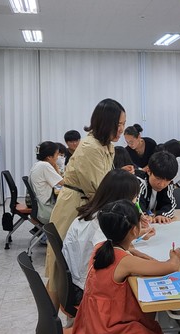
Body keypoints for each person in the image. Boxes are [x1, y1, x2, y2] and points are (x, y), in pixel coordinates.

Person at [72, 199, 180, 334]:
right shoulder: (124, 261)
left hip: (92, 323)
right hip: (108, 330)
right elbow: (169, 267)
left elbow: (136, 256)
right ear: (133, 230)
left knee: (150, 325)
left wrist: (142, 252)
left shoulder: (102, 248)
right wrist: (175, 258)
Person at [46, 98, 126, 308]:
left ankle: (69, 321)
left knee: (73, 268)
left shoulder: (106, 146)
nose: (121, 130)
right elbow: (101, 192)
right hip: (75, 207)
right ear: (104, 123)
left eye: (123, 125)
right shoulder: (91, 148)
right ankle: (52, 325)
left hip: (86, 206)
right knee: (61, 270)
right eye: (117, 125)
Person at [63, 169, 152, 298]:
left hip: (77, 281)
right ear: (123, 199)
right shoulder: (100, 225)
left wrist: (137, 232)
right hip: (90, 291)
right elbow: (118, 258)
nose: (135, 202)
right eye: (134, 198)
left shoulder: (94, 214)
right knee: (142, 290)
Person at [137, 151, 178, 224]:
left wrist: (162, 215)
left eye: (167, 180)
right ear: (149, 171)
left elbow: (170, 204)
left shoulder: (168, 184)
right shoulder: (138, 182)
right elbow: (136, 203)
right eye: (158, 178)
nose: (162, 184)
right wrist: (143, 215)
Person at [29, 141, 64, 224]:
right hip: (45, 209)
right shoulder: (45, 166)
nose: (58, 157)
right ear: (49, 156)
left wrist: (54, 164)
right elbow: (63, 183)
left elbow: (58, 180)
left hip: (39, 205)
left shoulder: (38, 164)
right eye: (57, 154)